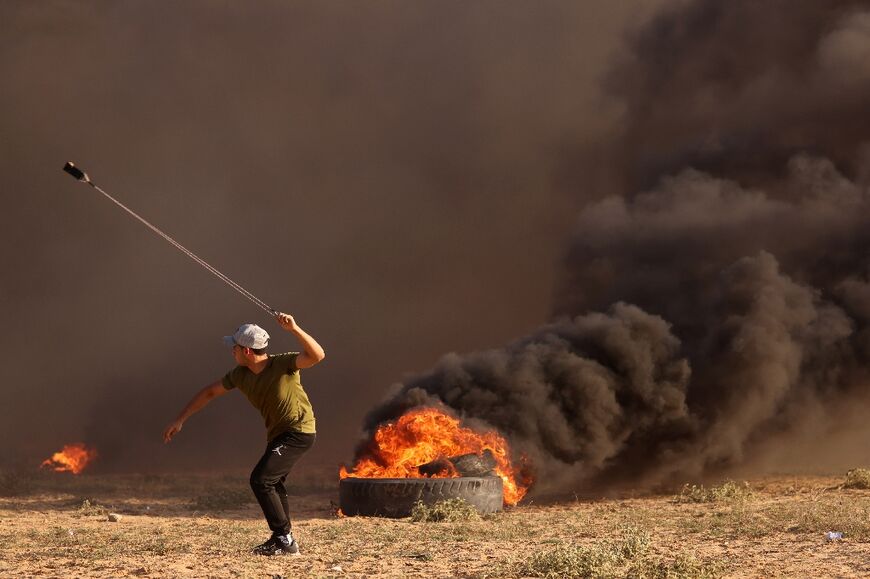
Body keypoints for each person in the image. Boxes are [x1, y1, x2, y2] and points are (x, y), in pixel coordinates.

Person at [162, 312, 325, 556]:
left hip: (298, 431)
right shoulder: (240, 375)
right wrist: (180, 419)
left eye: (234, 348)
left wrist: (294, 329)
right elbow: (209, 393)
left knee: (261, 479)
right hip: (279, 435)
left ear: (247, 351)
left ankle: (284, 540)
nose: (232, 352)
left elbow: (317, 355)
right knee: (274, 482)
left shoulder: (283, 364)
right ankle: (283, 537)